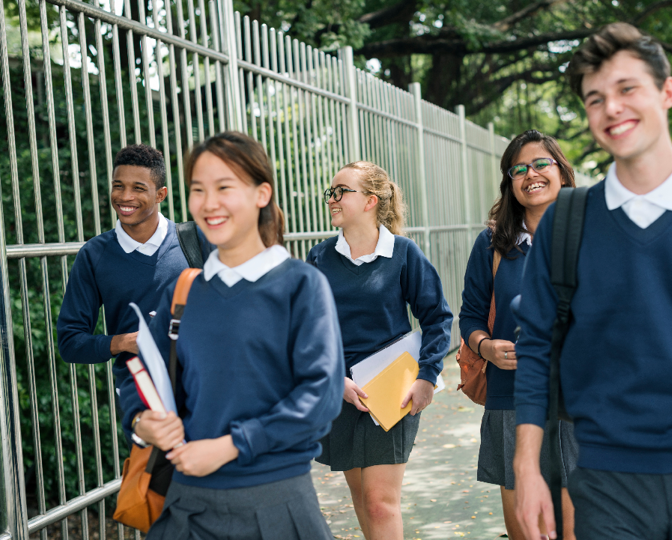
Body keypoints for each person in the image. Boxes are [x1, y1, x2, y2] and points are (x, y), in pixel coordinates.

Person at [513, 23, 672, 540]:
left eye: (628, 89)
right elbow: (535, 346)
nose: (612, 108)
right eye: (595, 99)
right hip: (607, 475)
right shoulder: (565, 222)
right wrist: (527, 467)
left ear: (667, 91)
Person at [123, 131, 344, 539]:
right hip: (187, 505)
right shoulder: (183, 291)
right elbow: (140, 377)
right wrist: (141, 422)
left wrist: (231, 446)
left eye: (225, 187)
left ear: (262, 194)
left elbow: (321, 396)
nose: (209, 203)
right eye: (197, 190)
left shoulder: (301, 286)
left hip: (274, 505)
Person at [307, 161, 453, 540]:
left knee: (380, 502)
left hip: (390, 394)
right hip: (341, 394)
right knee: (361, 497)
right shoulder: (319, 258)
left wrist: (426, 377)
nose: (332, 198)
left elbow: (437, 317)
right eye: (331, 192)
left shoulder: (403, 253)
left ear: (370, 201)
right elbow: (307, 330)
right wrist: (333, 379)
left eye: (342, 191)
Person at [459, 130, 578, 540]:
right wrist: (486, 347)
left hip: (578, 398)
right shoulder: (492, 244)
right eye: (519, 168)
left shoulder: (590, 235)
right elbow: (470, 316)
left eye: (541, 163)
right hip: (511, 396)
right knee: (526, 528)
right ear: (510, 182)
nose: (531, 173)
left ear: (562, 170)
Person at [57, 144, 209, 435]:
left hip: (207, 387)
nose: (125, 197)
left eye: (138, 188)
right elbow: (70, 342)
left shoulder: (196, 241)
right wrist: (126, 342)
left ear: (160, 194)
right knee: (159, 479)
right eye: (118, 186)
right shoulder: (94, 255)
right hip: (143, 403)